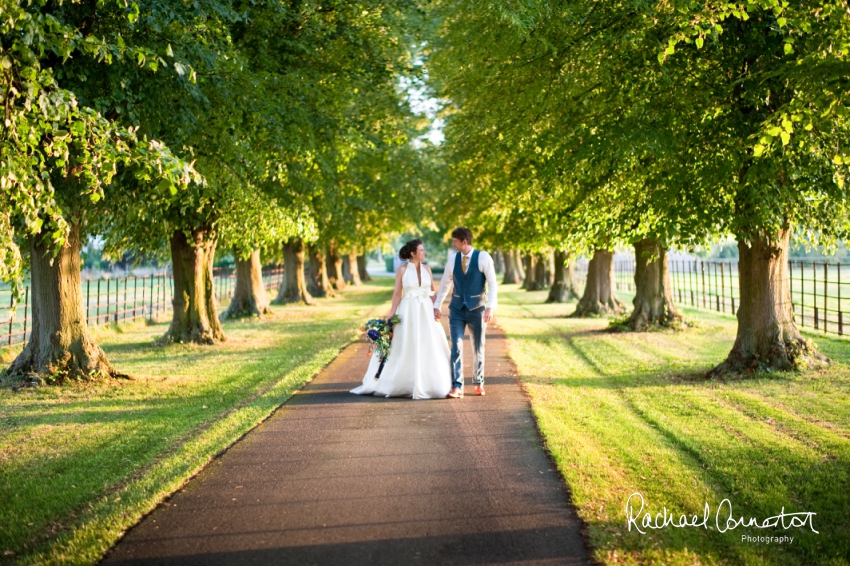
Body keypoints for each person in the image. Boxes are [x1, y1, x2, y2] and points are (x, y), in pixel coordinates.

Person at [350, 239, 452, 399]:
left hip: (425, 311)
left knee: (428, 342)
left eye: (424, 250)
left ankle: (432, 381)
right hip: (408, 310)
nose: (424, 253)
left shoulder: (427, 269)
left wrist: (436, 308)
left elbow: (432, 291)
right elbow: (397, 293)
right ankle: (401, 382)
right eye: (421, 250)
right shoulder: (402, 270)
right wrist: (391, 313)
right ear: (413, 253)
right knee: (405, 343)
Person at [433, 227, 498, 398]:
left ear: (464, 241)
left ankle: (478, 383)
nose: (453, 244)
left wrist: (490, 307)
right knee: (456, 347)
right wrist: (437, 305)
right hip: (456, 310)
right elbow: (446, 283)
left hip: (477, 309)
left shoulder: (483, 257)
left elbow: (493, 284)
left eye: (455, 241)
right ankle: (457, 386)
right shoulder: (453, 260)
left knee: (478, 347)